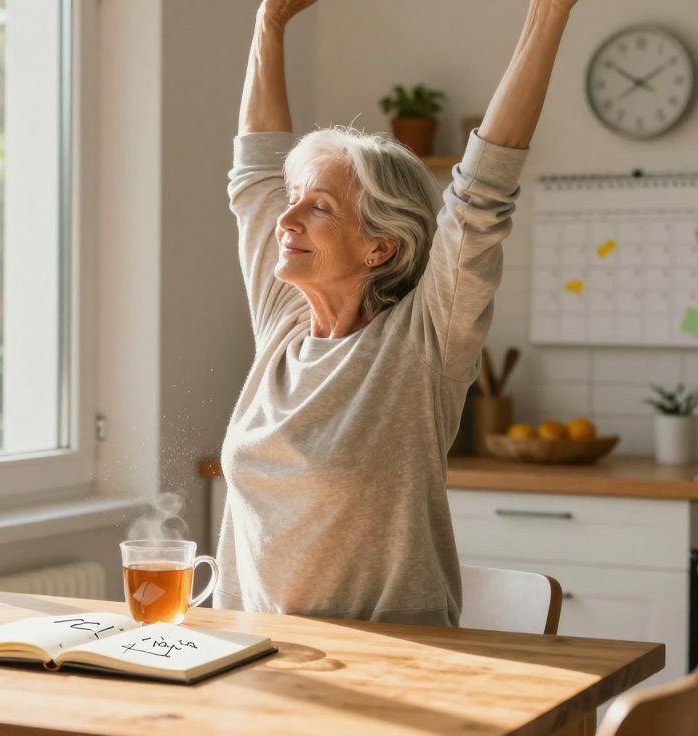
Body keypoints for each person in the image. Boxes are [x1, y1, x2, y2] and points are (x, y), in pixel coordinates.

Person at [215, 0, 577, 626]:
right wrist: (268, 23)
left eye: (318, 208)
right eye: (293, 201)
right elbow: (254, 176)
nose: (286, 220)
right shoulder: (283, 323)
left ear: (379, 246)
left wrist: (548, 15)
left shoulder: (422, 342)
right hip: (251, 661)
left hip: (388, 667)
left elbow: (481, 194)